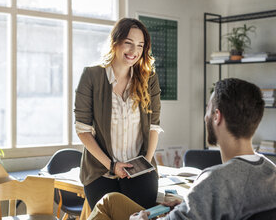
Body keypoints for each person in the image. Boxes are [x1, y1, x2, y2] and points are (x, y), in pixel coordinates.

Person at [88, 78, 276, 220]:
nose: (205, 117)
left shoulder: (214, 180)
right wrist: (187, 206)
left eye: (208, 109)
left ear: (217, 116)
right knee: (112, 200)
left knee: (107, 205)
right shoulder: (271, 171)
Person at [74, 18, 163, 209]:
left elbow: (154, 126)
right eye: (128, 43)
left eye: (140, 45)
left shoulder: (150, 79)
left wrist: (146, 163)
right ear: (116, 42)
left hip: (139, 170)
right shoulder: (91, 76)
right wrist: (112, 165)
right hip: (100, 171)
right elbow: (83, 130)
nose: (134, 51)